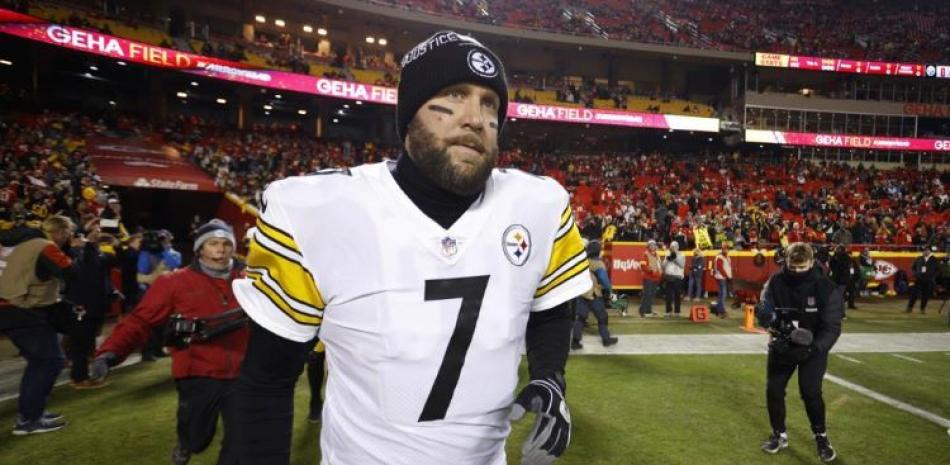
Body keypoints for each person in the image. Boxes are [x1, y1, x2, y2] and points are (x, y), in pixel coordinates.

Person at [226, 31, 591, 465]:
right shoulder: (318, 209)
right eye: (454, 95)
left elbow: (549, 305)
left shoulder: (539, 204)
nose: (475, 117)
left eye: (489, 103)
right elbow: (266, 381)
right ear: (409, 114)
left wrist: (550, 376)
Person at [90, 219, 248, 465]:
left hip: (244, 373)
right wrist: (110, 353)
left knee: (242, 441)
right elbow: (140, 320)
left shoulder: (250, 280)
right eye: (213, 244)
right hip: (198, 372)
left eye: (226, 243)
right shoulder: (173, 282)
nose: (221, 250)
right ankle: (186, 443)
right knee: (197, 438)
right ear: (200, 249)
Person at [755, 242, 843, 463]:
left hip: (812, 348)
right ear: (786, 262)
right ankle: (779, 434)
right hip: (783, 344)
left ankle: (821, 438)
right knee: (774, 390)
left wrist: (814, 348)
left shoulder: (825, 287)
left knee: (810, 392)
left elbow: (832, 327)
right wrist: (766, 317)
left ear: (812, 263)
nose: (796, 273)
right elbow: (766, 312)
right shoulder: (775, 281)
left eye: (801, 268)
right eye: (792, 268)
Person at [0, 215, 80, 435]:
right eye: (69, 233)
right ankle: (28, 420)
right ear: (61, 232)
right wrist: (78, 251)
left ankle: (31, 413)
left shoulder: (22, 243)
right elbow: (70, 272)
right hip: (22, 310)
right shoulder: (44, 245)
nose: (69, 237)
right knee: (49, 362)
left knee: (39, 362)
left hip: (11, 307)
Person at [571, 240, 618, 349]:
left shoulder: (582, 261)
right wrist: (610, 290)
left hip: (581, 293)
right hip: (594, 294)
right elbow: (603, 279)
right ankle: (606, 339)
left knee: (580, 318)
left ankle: (575, 341)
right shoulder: (598, 263)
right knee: (602, 317)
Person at [906, 245, 939, 314]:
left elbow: (937, 270)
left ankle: (922, 309)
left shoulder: (934, 260)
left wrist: (932, 276)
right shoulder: (919, 258)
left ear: (930, 251)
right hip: (918, 279)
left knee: (925, 295)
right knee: (914, 294)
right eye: (924, 250)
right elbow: (913, 267)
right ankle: (909, 308)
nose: (925, 252)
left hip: (928, 280)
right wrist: (916, 274)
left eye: (926, 250)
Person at [662, 241, 685, 317]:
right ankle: (668, 311)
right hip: (669, 276)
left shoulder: (681, 254)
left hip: (677, 277)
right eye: (672, 246)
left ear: (678, 247)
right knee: (668, 295)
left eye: (675, 246)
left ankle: (677, 311)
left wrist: (675, 259)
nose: (673, 248)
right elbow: (663, 266)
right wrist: (667, 259)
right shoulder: (667, 254)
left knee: (677, 295)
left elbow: (682, 265)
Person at [639, 240, 661, 317]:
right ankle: (643, 311)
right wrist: (651, 270)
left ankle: (648, 310)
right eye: (651, 245)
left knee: (652, 295)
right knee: (647, 294)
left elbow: (658, 266)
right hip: (648, 277)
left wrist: (659, 273)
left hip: (655, 278)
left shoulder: (657, 255)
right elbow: (643, 266)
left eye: (654, 245)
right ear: (648, 246)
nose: (653, 246)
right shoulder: (645, 254)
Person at [306, 338, 326, 423]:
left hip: (340, 328)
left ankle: (333, 405)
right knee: (314, 360)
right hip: (316, 328)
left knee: (336, 366)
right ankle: (315, 403)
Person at [712, 242, 733, 317]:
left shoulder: (727, 257)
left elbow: (728, 268)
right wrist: (727, 276)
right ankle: (722, 311)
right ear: (722, 249)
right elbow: (720, 268)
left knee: (722, 294)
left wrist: (729, 276)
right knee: (723, 294)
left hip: (724, 277)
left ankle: (718, 310)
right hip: (721, 277)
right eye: (725, 249)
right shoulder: (719, 257)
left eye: (727, 249)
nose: (726, 250)